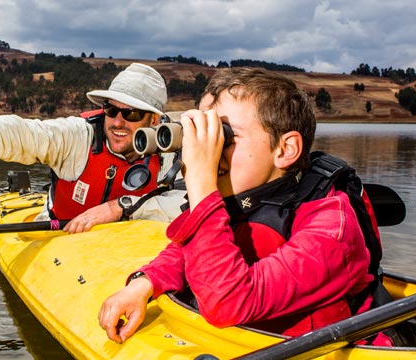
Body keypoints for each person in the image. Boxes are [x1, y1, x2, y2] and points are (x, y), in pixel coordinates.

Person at [98, 67, 381, 344]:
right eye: (204, 134)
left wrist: (200, 180)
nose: (208, 150)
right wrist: (144, 283)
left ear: (285, 150)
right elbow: (185, 251)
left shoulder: (331, 229)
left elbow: (227, 303)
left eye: (225, 136)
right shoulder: (245, 196)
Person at [0, 63, 184, 233]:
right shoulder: (77, 136)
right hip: (62, 237)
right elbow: (26, 134)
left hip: (130, 248)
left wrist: (121, 206)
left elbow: (190, 203)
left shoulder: (172, 149)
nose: (117, 122)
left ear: (155, 119)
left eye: (132, 114)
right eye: (111, 110)